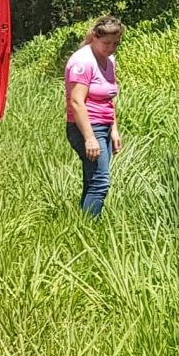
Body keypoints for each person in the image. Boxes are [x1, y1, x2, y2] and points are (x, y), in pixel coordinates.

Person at [64, 15, 124, 216]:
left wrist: (114, 130)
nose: (111, 47)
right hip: (86, 126)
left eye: (116, 43)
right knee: (101, 181)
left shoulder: (109, 60)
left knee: (92, 179)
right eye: (106, 43)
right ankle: (90, 226)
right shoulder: (82, 62)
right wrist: (90, 138)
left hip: (104, 125)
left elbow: (109, 98)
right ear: (94, 37)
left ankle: (81, 225)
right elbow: (76, 102)